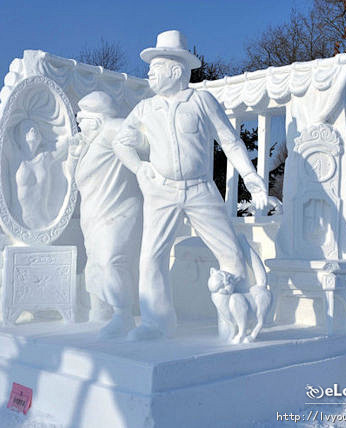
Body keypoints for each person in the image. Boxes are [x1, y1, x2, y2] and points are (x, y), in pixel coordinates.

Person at [113, 30, 271, 340]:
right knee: (151, 257)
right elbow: (121, 142)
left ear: (174, 70)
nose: (149, 75)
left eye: (154, 68)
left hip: (200, 189)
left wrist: (254, 183)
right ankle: (155, 323)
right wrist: (139, 168)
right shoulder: (146, 108)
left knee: (229, 252)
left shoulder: (201, 101)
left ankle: (231, 322)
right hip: (161, 191)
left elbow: (231, 142)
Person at [71, 91, 145, 339]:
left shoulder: (112, 127)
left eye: (83, 119)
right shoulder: (90, 143)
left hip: (121, 211)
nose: (80, 124)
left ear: (98, 118)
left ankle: (123, 315)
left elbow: (140, 139)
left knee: (113, 261)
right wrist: (74, 155)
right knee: (97, 266)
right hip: (95, 215)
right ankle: (103, 312)